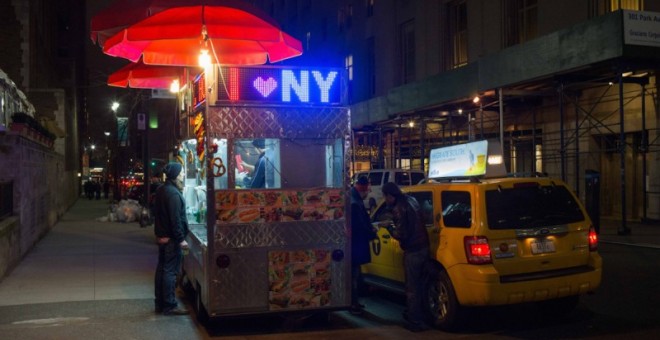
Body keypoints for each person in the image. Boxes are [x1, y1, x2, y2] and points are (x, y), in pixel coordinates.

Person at [381, 182, 430, 332]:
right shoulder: (411, 200)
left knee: (412, 287)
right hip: (424, 247)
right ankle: (422, 316)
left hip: (413, 250)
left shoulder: (399, 209)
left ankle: (415, 321)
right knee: (421, 285)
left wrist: (388, 227)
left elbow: (401, 234)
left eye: (385, 197)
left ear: (390, 195)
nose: (385, 200)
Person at [153, 162, 190, 315]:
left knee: (162, 270)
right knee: (170, 272)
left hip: (163, 237)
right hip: (171, 240)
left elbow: (158, 214)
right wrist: (181, 239)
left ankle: (160, 303)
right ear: (175, 175)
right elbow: (175, 219)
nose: (183, 175)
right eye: (181, 173)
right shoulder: (173, 194)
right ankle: (169, 305)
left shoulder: (162, 189)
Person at [349, 175, 377, 315]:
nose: (369, 192)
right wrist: (372, 232)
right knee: (354, 276)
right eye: (367, 188)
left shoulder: (354, 199)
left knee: (355, 275)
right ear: (363, 187)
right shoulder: (355, 203)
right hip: (355, 246)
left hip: (354, 245)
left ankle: (354, 303)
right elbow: (359, 226)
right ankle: (353, 304)